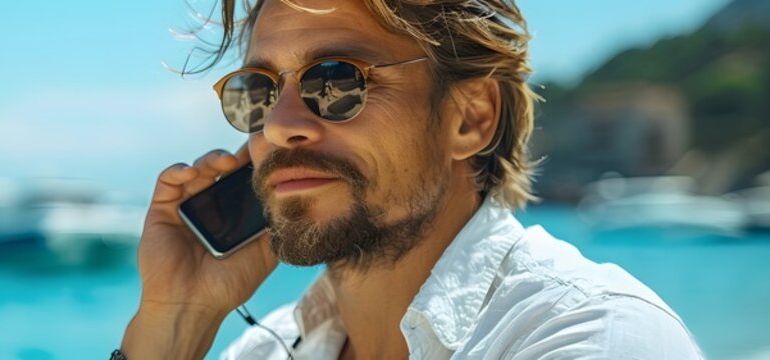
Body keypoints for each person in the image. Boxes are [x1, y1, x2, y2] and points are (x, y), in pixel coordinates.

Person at [116, 0, 704, 358]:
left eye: (335, 81)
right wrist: (174, 324)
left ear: (470, 119)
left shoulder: (590, 336)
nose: (280, 127)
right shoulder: (266, 349)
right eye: (259, 92)